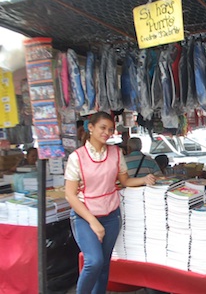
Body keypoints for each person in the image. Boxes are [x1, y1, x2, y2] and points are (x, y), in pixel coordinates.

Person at [64, 111, 156, 294]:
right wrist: (93, 222)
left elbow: (125, 181)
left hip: (112, 216)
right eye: (102, 128)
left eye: (110, 129)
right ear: (90, 128)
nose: (106, 132)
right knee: (93, 261)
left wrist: (145, 179)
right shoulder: (77, 157)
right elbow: (70, 195)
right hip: (85, 216)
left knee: (104, 264)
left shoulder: (116, 153)